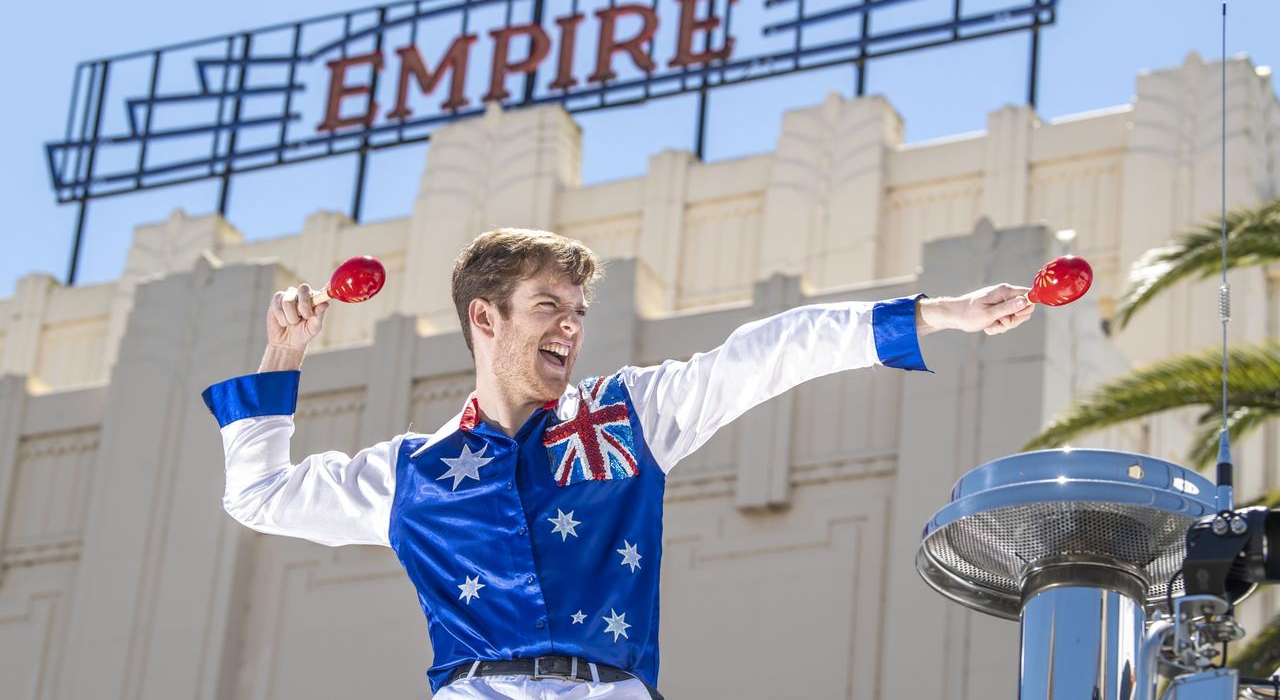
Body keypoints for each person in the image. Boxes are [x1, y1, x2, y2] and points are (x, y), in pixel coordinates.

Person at [201, 228, 1035, 699]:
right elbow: (260, 494)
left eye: (578, 311)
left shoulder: (627, 418)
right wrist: (283, 356)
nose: (570, 325)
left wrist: (940, 313)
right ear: (484, 319)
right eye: (548, 307)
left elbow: (771, 351)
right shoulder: (413, 473)